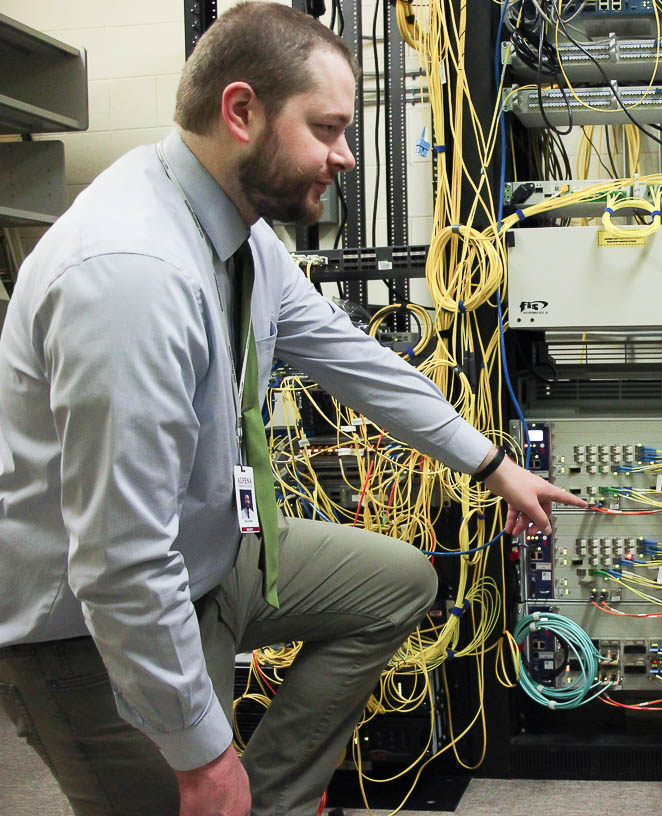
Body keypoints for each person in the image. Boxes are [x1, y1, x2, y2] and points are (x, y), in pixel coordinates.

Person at [0, 4, 583, 815]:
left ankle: (267, 798)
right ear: (241, 111)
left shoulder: (236, 235)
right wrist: (203, 758)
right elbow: (122, 563)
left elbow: (354, 359)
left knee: (397, 584)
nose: (345, 155)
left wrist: (492, 466)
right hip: (93, 626)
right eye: (327, 128)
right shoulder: (131, 274)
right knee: (193, 791)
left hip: (204, 552)